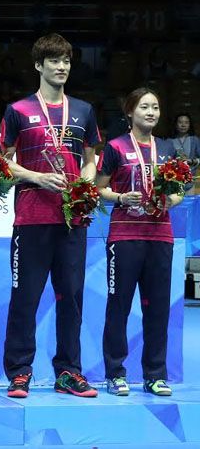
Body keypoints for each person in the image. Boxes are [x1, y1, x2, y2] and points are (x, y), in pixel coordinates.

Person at [1, 33, 102, 398]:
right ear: (38, 66)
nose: (62, 67)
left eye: (66, 61)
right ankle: (19, 371)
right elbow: (2, 164)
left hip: (71, 221)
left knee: (71, 297)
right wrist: (36, 176)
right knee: (25, 297)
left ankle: (68, 372)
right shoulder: (18, 111)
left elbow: (90, 161)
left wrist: (84, 189)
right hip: (31, 218)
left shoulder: (84, 111)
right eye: (54, 61)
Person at [96, 87, 182, 397]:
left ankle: (155, 375)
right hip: (125, 236)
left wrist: (172, 198)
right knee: (118, 306)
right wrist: (120, 196)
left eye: (155, 108)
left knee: (158, 308)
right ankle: (115, 374)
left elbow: (179, 189)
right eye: (144, 107)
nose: (151, 112)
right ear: (130, 112)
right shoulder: (115, 148)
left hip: (160, 235)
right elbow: (98, 189)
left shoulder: (168, 148)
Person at [168, 113, 199, 192]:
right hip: (173, 181)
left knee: (189, 203)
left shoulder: (194, 140)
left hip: (190, 182)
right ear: (175, 124)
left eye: (186, 122)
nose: (183, 125)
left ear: (190, 125)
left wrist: (192, 161)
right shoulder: (169, 141)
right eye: (180, 122)